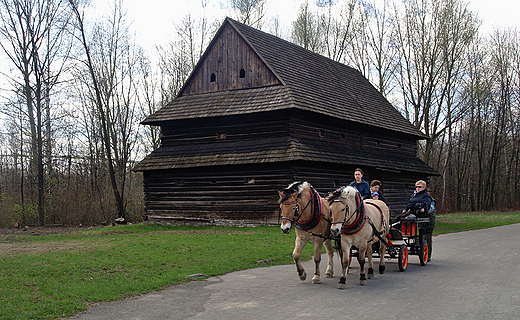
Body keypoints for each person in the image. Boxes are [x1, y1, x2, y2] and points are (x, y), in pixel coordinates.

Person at [425, 189, 436, 262]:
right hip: (422, 222)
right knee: (422, 238)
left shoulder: (432, 201)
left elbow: (430, 210)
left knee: (428, 238)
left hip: (430, 222)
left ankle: (428, 255)